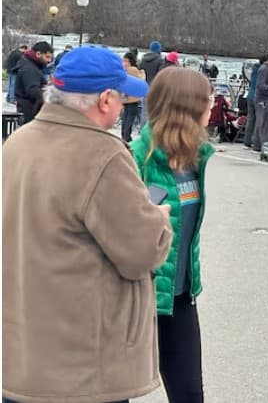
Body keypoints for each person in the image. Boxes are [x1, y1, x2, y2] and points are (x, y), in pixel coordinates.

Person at [2, 46, 172, 403]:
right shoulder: (102, 154)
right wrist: (158, 217)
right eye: (122, 96)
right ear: (105, 99)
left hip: (22, 358)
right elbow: (142, 253)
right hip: (82, 369)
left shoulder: (17, 143)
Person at [130, 67, 215, 403]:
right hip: (136, 296)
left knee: (190, 394)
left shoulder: (197, 158)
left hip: (178, 297)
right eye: (207, 101)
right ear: (188, 108)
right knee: (111, 392)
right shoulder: (135, 157)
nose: (213, 107)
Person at [13, 40, 54, 124]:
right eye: (47, 57)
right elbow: (33, 90)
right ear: (38, 54)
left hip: (28, 110)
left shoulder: (29, 65)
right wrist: (48, 97)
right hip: (30, 112)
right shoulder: (30, 69)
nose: (49, 60)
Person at [121, 51, 146, 142]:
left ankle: (124, 137)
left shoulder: (126, 70)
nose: (123, 63)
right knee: (128, 120)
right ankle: (127, 138)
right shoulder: (135, 70)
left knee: (126, 119)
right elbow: (142, 80)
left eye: (125, 61)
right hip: (133, 99)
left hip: (126, 99)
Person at [242, 59, 261, 148]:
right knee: (258, 120)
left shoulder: (254, 69)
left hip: (250, 95)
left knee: (250, 119)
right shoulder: (262, 70)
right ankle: (256, 140)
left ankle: (247, 140)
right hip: (257, 97)